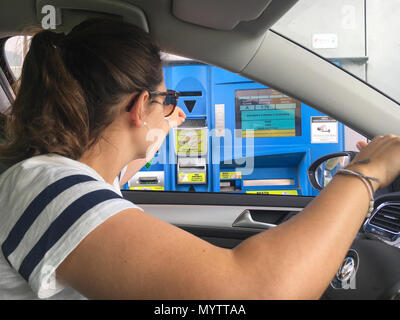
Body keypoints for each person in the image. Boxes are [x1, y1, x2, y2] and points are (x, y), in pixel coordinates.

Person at [1, 18, 400, 300]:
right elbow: (255, 294)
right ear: (140, 107)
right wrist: (366, 173)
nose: (179, 112)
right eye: (169, 100)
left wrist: (164, 122)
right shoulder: (52, 190)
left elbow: (122, 164)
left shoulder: (63, 180)